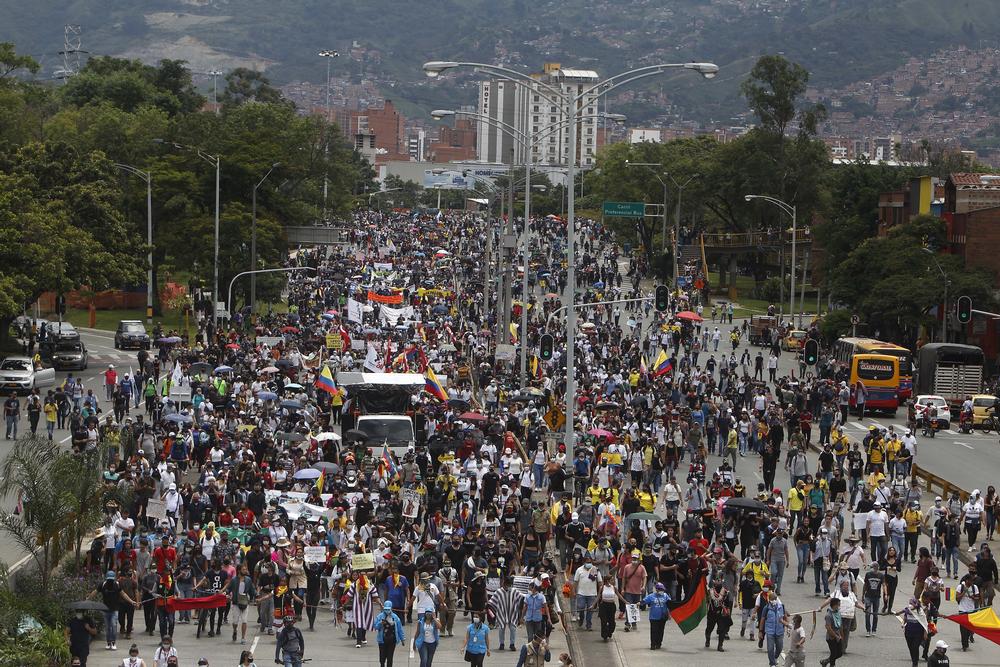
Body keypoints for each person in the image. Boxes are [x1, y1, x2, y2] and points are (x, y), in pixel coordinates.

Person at [758, 587, 790, 667]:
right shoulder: (766, 608)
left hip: (779, 631)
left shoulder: (781, 607)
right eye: (772, 599)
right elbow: (762, 620)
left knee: (779, 647)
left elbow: (785, 617)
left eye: (775, 599)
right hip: (770, 631)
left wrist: (788, 627)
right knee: (770, 648)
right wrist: (760, 631)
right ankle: (772, 663)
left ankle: (775, 657)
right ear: (769, 600)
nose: (774, 601)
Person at [227, 562, 256, 644]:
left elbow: (252, 590)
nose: (245, 570)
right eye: (244, 569)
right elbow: (228, 589)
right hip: (236, 603)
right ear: (239, 571)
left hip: (245, 603)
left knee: (244, 621)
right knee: (235, 621)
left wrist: (256, 596)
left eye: (246, 569)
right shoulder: (233, 580)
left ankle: (243, 637)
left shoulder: (248, 580)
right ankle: (235, 630)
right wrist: (226, 594)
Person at [898, 597, 929, 667]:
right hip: (908, 632)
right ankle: (914, 659)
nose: (910, 605)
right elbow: (902, 614)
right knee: (911, 648)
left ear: (915, 604)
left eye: (911, 603)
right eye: (909, 603)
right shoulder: (907, 610)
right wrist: (902, 622)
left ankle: (915, 663)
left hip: (918, 633)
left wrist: (925, 633)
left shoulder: (920, 612)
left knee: (915, 647)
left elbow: (924, 623)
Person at [640, 582, 671, 650]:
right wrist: (637, 604)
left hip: (662, 617)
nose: (661, 591)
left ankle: (659, 643)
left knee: (661, 631)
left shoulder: (665, 596)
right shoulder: (651, 596)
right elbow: (643, 601)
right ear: (656, 589)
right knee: (654, 631)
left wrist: (669, 615)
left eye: (662, 589)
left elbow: (670, 605)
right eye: (660, 589)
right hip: (654, 617)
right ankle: (653, 644)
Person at [374, 600, 405, 667]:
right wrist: (380, 623)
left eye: (388, 609)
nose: (387, 611)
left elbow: (400, 629)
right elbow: (375, 627)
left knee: (390, 657)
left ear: (391, 608)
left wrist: (402, 639)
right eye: (386, 609)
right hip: (382, 640)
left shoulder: (395, 617)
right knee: (382, 657)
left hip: (392, 640)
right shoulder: (379, 616)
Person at [705, 579, 733, 652]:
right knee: (709, 629)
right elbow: (706, 601)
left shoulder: (726, 592)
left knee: (722, 630)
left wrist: (728, 613)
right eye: (716, 580)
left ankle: (720, 645)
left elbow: (728, 604)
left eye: (719, 580)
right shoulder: (709, 592)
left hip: (721, 614)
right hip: (712, 613)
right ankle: (707, 639)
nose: (718, 581)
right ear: (714, 582)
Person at [955, 573, 980, 651]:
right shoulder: (960, 587)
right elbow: (957, 598)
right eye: (970, 581)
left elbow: (978, 598)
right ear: (966, 580)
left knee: (969, 628)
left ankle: (969, 636)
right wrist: (964, 592)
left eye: (972, 581)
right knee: (963, 629)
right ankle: (964, 645)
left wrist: (972, 597)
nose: (972, 582)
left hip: (971, 610)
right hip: (962, 610)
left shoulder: (974, 587)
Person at [819, 598, 843, 667]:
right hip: (831, 637)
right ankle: (832, 665)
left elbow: (840, 624)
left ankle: (825, 661)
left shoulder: (838, 613)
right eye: (838, 605)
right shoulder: (828, 615)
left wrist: (841, 635)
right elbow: (828, 628)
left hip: (838, 635)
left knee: (840, 653)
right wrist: (836, 636)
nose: (839, 606)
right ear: (834, 605)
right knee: (834, 653)